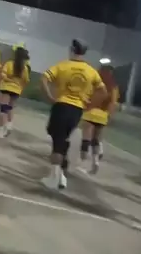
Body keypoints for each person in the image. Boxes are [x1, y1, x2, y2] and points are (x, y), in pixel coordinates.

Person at [41, 39, 106, 190]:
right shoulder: (91, 71)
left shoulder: (63, 65)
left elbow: (44, 78)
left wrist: (49, 97)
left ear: (71, 50)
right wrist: (90, 104)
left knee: (57, 143)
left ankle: (54, 178)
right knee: (64, 140)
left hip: (62, 106)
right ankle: (61, 176)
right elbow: (103, 92)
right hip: (77, 110)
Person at [80, 63, 119, 174]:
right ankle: (95, 162)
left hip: (91, 112)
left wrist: (85, 105)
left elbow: (86, 94)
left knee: (86, 137)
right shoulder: (114, 86)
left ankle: (81, 162)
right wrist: (109, 115)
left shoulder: (95, 81)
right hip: (103, 115)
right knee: (96, 140)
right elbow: (113, 102)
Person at [0, 46, 30, 137]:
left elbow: (3, 75)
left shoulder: (9, 64)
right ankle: (9, 125)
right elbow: (26, 81)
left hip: (6, 87)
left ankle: (1, 130)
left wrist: (9, 80)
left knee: (3, 109)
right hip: (16, 90)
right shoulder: (25, 68)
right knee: (10, 108)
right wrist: (20, 87)